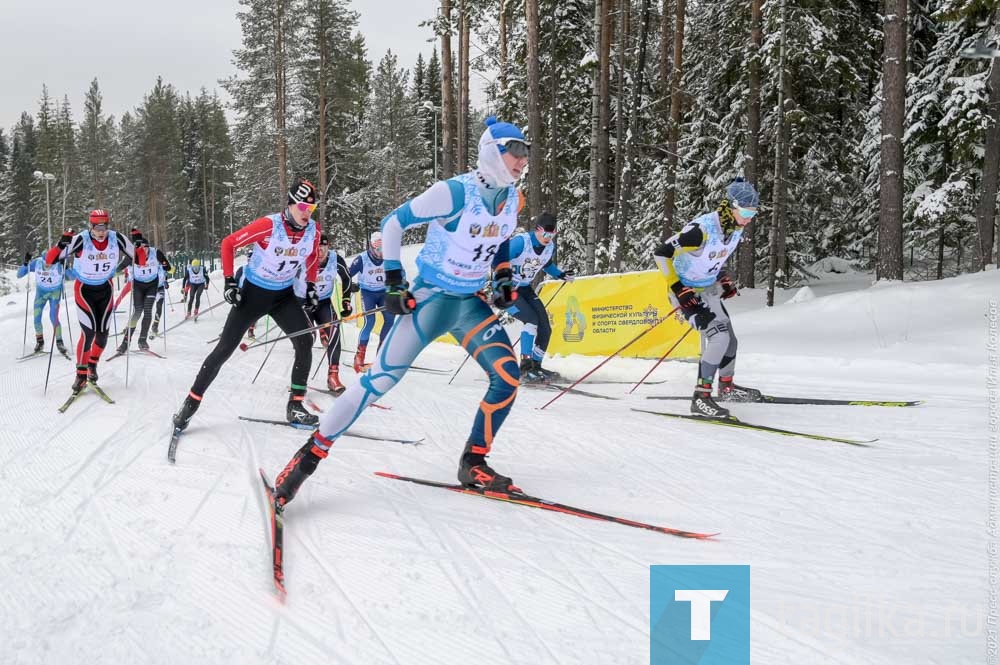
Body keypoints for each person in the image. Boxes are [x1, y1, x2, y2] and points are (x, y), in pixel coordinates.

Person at [269, 116, 529, 508]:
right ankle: (306, 459)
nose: (523, 160)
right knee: (379, 381)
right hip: (431, 300)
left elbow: (503, 237)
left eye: (527, 152)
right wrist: (393, 280)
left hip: (469, 303)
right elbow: (394, 223)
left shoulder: (512, 199)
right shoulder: (454, 193)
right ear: (493, 152)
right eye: (516, 150)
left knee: (508, 376)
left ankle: (473, 461)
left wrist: (504, 277)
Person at [171, 178, 323, 432]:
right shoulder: (269, 225)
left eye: (312, 209)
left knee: (305, 339)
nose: (308, 213)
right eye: (303, 208)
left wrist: (310, 286)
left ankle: (295, 405)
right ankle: (190, 404)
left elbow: (312, 257)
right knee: (224, 349)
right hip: (254, 294)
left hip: (283, 295)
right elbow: (229, 243)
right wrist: (230, 282)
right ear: (290, 205)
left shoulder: (313, 231)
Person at [653, 178, 761, 418]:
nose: (749, 217)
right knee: (718, 338)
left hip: (708, 288)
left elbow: (714, 257)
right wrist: (679, 288)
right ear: (730, 207)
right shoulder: (700, 230)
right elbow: (661, 253)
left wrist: (723, 277)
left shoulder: (735, 228)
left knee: (731, 340)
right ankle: (700, 398)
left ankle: (727, 387)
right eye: (745, 211)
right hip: (687, 293)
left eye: (754, 212)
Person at [44, 209, 145, 392]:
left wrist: (138, 244)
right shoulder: (82, 239)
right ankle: (80, 375)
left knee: (102, 335)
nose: (101, 231)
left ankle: (92, 365)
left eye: (104, 226)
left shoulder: (117, 238)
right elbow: (50, 260)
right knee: (88, 333)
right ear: (91, 226)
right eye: (97, 227)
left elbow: (141, 261)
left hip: (105, 289)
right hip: (84, 290)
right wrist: (61, 244)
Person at [506, 212, 574, 383]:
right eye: (545, 234)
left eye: (552, 235)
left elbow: (546, 264)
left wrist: (561, 275)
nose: (548, 238)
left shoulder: (550, 247)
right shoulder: (521, 242)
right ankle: (525, 367)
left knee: (545, 328)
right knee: (530, 321)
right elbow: (497, 259)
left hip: (524, 289)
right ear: (537, 230)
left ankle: (536, 366)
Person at [295, 234, 353, 393]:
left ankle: (333, 377)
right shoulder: (302, 258)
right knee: (307, 339)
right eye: (316, 247)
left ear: (328, 247)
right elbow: (286, 277)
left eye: (323, 247)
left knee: (334, 333)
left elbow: (347, 279)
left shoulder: (336, 260)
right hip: (303, 303)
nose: (319, 251)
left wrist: (346, 301)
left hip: (324, 302)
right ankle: (300, 379)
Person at [117, 228, 172, 352]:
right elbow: (119, 268)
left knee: (147, 312)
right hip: (138, 286)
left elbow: (167, 266)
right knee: (137, 312)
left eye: (146, 248)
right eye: (141, 248)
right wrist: (110, 275)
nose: (144, 250)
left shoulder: (156, 252)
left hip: (152, 285)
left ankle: (142, 340)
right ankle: (125, 342)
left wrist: (164, 265)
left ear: (149, 247)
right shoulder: (132, 256)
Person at [348, 231, 393, 372]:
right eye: (378, 250)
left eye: (384, 249)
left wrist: (402, 282)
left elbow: (400, 273)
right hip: (368, 293)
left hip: (383, 292)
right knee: (370, 321)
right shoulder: (362, 259)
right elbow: (346, 274)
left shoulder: (389, 258)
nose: (381, 253)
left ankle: (381, 354)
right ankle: (359, 356)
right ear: (372, 248)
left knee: (390, 319)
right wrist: (351, 285)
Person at [18, 250, 70, 355]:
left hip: (54, 293)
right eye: (46, 261)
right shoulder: (37, 262)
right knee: (36, 318)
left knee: (53, 317)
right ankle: (40, 342)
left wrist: (67, 267)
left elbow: (72, 277)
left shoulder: (59, 264)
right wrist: (25, 263)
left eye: (51, 262)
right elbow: (19, 275)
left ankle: (60, 342)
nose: (48, 264)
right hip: (41, 294)